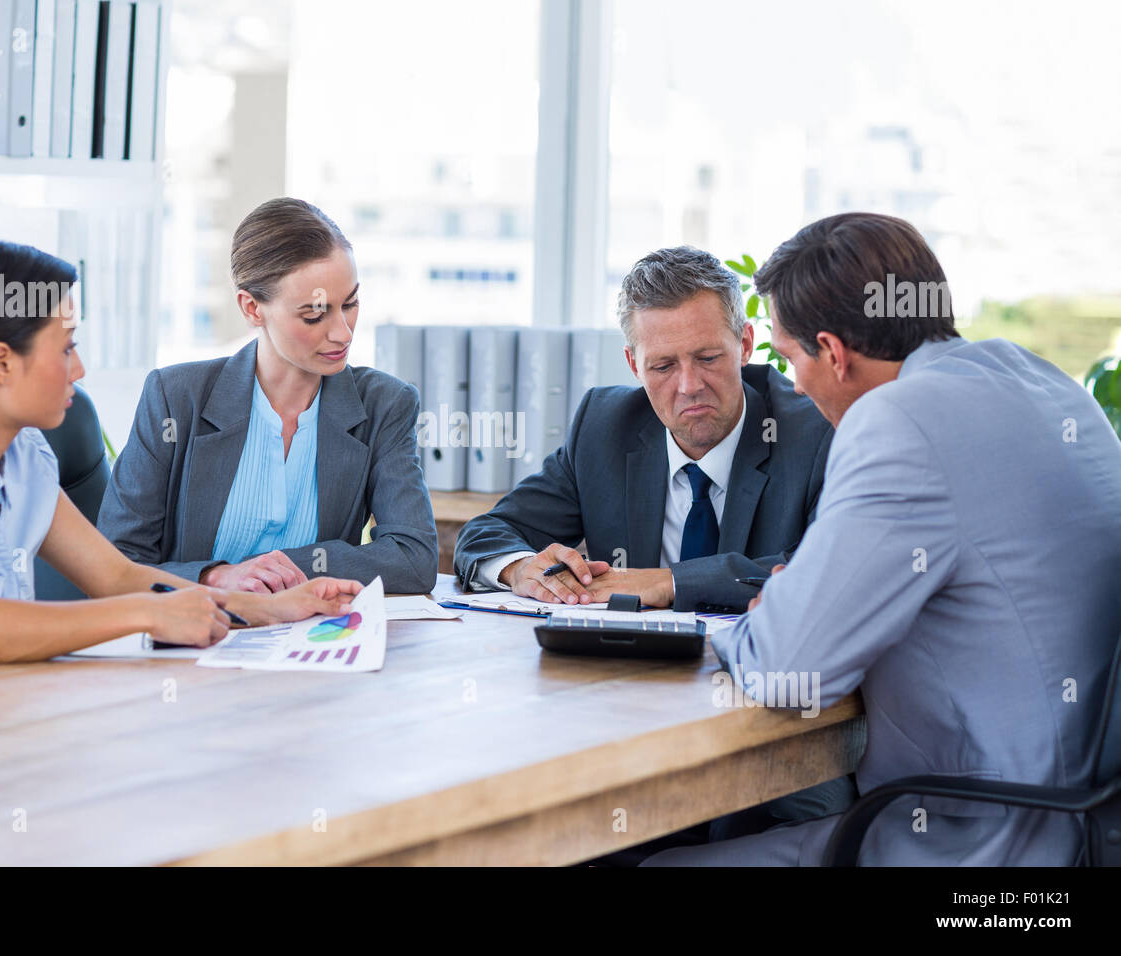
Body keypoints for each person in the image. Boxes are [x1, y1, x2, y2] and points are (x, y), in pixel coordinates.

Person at [644, 212, 1121, 866]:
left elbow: (790, 670)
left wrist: (771, 614)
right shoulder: (1044, 383)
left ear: (833, 353)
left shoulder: (900, 421)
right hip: (1087, 825)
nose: (792, 386)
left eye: (788, 360)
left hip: (982, 846)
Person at [0, 242, 361, 662]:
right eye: (66, 347)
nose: (78, 370)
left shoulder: (24, 453)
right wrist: (147, 615)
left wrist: (269, 609)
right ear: (1, 363)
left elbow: (118, 577)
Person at [455, 245, 833, 613]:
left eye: (707, 358)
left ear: (745, 345)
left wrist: (669, 582)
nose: (689, 385)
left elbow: (826, 571)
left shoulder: (815, 432)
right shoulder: (604, 427)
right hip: (625, 669)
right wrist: (520, 568)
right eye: (663, 366)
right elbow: (488, 533)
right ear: (633, 364)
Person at [98, 198, 437, 595]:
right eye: (314, 314)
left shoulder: (384, 405)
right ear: (252, 308)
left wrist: (283, 570)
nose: (343, 333)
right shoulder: (176, 399)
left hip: (312, 640)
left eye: (351, 304)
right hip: (191, 640)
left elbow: (413, 559)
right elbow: (114, 563)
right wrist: (215, 577)